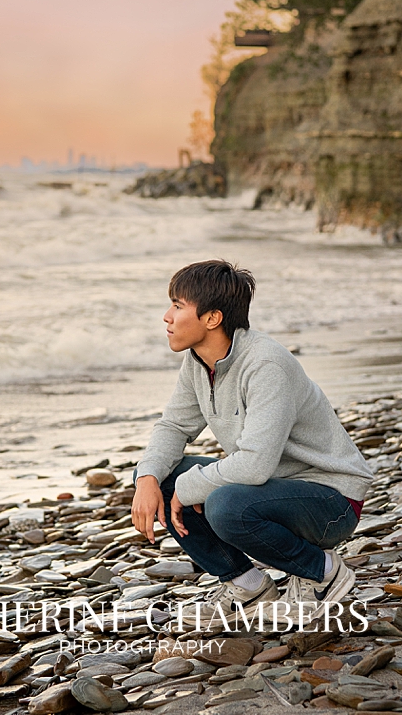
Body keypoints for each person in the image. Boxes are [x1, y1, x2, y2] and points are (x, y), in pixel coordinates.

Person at [131, 260, 374, 630]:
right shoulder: (199, 361)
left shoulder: (264, 365)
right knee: (161, 475)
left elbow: (254, 465)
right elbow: (174, 426)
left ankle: (322, 573)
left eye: (178, 306)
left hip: (331, 501)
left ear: (212, 318)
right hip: (273, 492)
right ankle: (248, 587)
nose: (167, 316)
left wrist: (187, 488)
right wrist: (147, 478)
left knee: (225, 504)